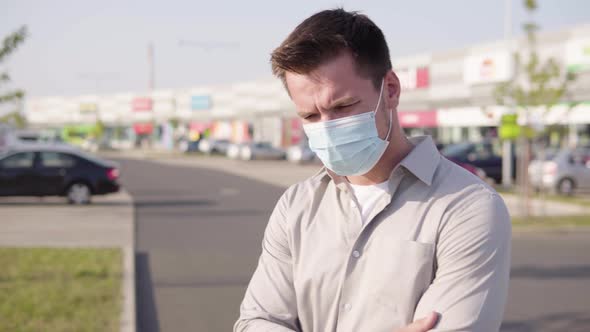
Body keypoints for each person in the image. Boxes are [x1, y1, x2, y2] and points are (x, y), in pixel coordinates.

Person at [235, 8, 511, 332]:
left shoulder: (467, 208)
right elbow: (257, 322)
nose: (328, 127)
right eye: (310, 116)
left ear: (390, 89)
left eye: (342, 107)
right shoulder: (296, 207)